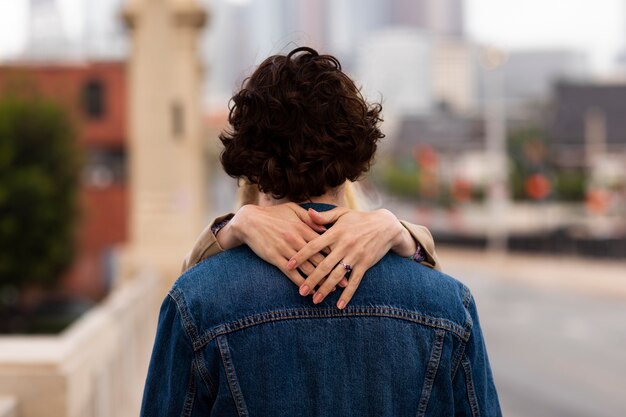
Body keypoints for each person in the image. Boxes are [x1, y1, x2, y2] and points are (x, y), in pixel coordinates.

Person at [140, 46, 501, 417]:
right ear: (354, 158)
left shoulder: (198, 301)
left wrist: (231, 228)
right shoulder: (448, 304)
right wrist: (403, 235)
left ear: (249, 162)